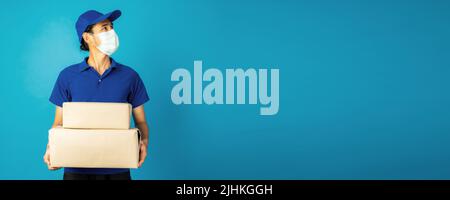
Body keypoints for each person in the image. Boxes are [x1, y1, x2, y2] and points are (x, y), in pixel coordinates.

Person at [43, 10, 150, 180]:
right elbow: (59, 123)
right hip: (76, 169)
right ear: (87, 37)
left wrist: (143, 141)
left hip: (118, 169)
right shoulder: (67, 76)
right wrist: (52, 148)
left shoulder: (130, 76)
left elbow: (141, 121)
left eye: (112, 27)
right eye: (104, 28)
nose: (111, 33)